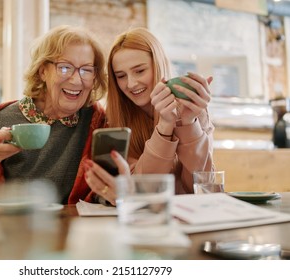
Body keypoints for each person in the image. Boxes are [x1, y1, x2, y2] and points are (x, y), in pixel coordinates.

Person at [0, 25, 108, 204]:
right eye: (65, 68)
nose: (76, 80)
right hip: (13, 229)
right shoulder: (0, 120)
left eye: (86, 70)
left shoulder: (96, 122)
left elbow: (104, 194)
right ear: (43, 71)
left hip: (75, 229)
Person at [84, 27, 215, 205]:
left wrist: (189, 123)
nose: (130, 84)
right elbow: (140, 190)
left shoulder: (193, 109)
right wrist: (164, 126)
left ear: (158, 65)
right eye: (121, 76)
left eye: (139, 71)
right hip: (143, 219)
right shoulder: (116, 120)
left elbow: (202, 186)